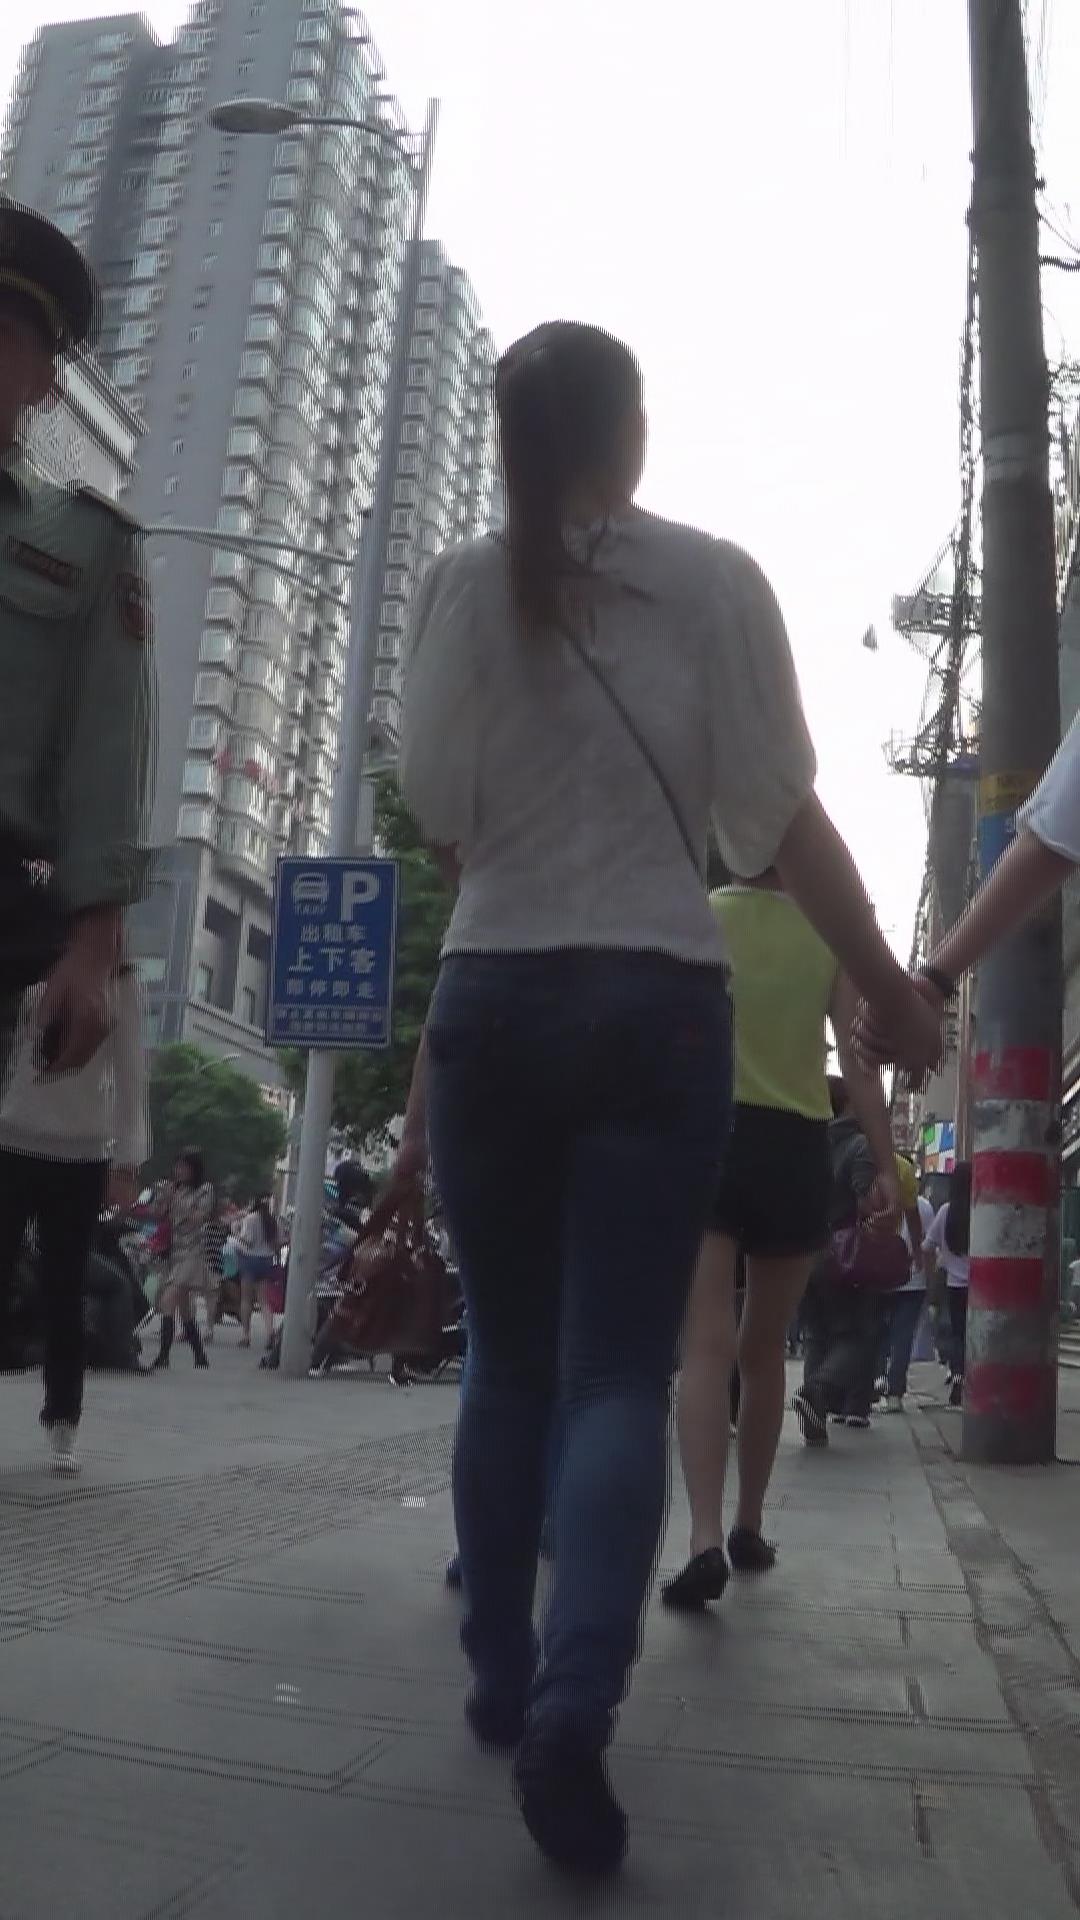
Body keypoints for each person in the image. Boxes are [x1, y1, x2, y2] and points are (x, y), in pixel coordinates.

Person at [391, 320, 939, 1877]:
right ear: (632, 434)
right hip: (658, 1003)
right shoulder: (716, 582)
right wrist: (889, 990)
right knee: (619, 1373)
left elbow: (436, 810)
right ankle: (579, 1699)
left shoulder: (454, 586)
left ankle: (500, 1671)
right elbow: (782, 819)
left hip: (494, 996)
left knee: (507, 1362)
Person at [663, 868, 898, 1611]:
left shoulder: (700, 914)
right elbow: (859, 1064)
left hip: (710, 1135)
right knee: (763, 1349)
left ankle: (702, 1538)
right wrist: (884, 1164)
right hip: (796, 1146)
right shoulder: (827, 932)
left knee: (705, 1346)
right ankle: (749, 1525)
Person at [0, 197, 155, 1083]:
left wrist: (96, 946)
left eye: (2, 335)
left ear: (44, 384)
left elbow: (107, 755)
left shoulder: (88, 544)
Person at [0, 959, 149, 1470]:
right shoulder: (29, 954)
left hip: (81, 1151)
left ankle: (63, 1419)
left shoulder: (120, 978)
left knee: (64, 1289)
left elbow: (130, 1072)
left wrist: (127, 1158)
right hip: (11, 1138)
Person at [794, 1079, 899, 1440]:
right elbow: (866, 1201)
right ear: (849, 1104)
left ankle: (815, 1418)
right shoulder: (859, 1146)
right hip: (842, 1255)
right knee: (856, 1335)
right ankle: (817, 1392)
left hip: (803, 1251)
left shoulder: (806, 1143)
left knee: (817, 1336)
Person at [150, 1151, 214, 1369]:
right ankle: (199, 1355)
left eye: (184, 1167)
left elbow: (199, 1218)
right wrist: (164, 1198)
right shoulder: (173, 1189)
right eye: (177, 1167)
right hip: (176, 1252)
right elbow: (157, 1214)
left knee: (168, 1299)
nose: (179, 1171)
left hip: (193, 1251)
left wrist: (177, 1201)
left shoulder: (204, 1190)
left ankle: (163, 1355)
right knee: (184, 1308)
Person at [879, 1160, 933, 1413]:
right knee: (903, 1338)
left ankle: (877, 1380)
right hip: (914, 1281)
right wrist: (928, 1277)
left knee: (879, 1333)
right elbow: (928, 1245)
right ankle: (894, 1393)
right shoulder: (924, 1207)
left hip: (881, 1278)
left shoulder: (878, 1201)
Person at [923, 1161, 971, 1407]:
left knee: (958, 1334)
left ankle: (958, 1377)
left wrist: (935, 1267)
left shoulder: (946, 1211)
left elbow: (927, 1246)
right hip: (981, 1287)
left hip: (954, 1285)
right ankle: (973, 1378)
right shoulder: (981, 1210)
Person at [237, 1194, 280, 1351]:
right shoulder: (272, 1220)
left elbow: (247, 1241)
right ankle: (270, 1332)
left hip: (250, 1260)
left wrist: (236, 1233)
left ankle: (245, 1335)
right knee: (263, 1301)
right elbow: (277, 1243)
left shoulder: (250, 1218)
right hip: (266, 1261)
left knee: (246, 1299)